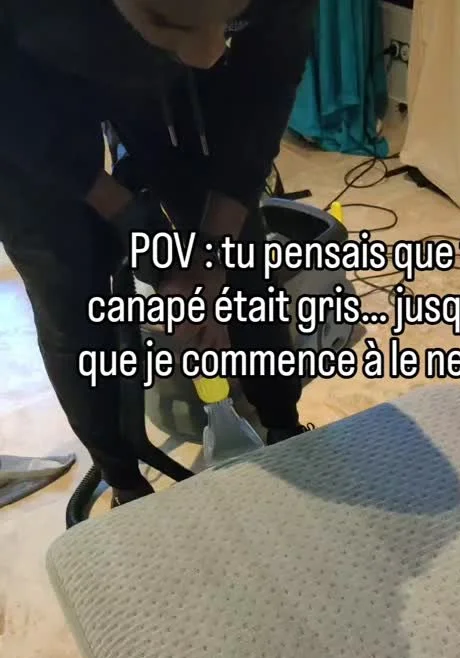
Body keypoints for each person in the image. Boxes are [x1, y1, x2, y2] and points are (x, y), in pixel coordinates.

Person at [0, 0, 317, 505]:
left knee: (243, 260)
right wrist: (128, 214)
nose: (209, 53)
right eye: (171, 20)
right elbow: (16, 118)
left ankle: (284, 425)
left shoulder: (207, 39)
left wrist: (211, 254)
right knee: (68, 297)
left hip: (147, 73)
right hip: (19, 97)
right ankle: (124, 481)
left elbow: (266, 88)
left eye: (231, 21)